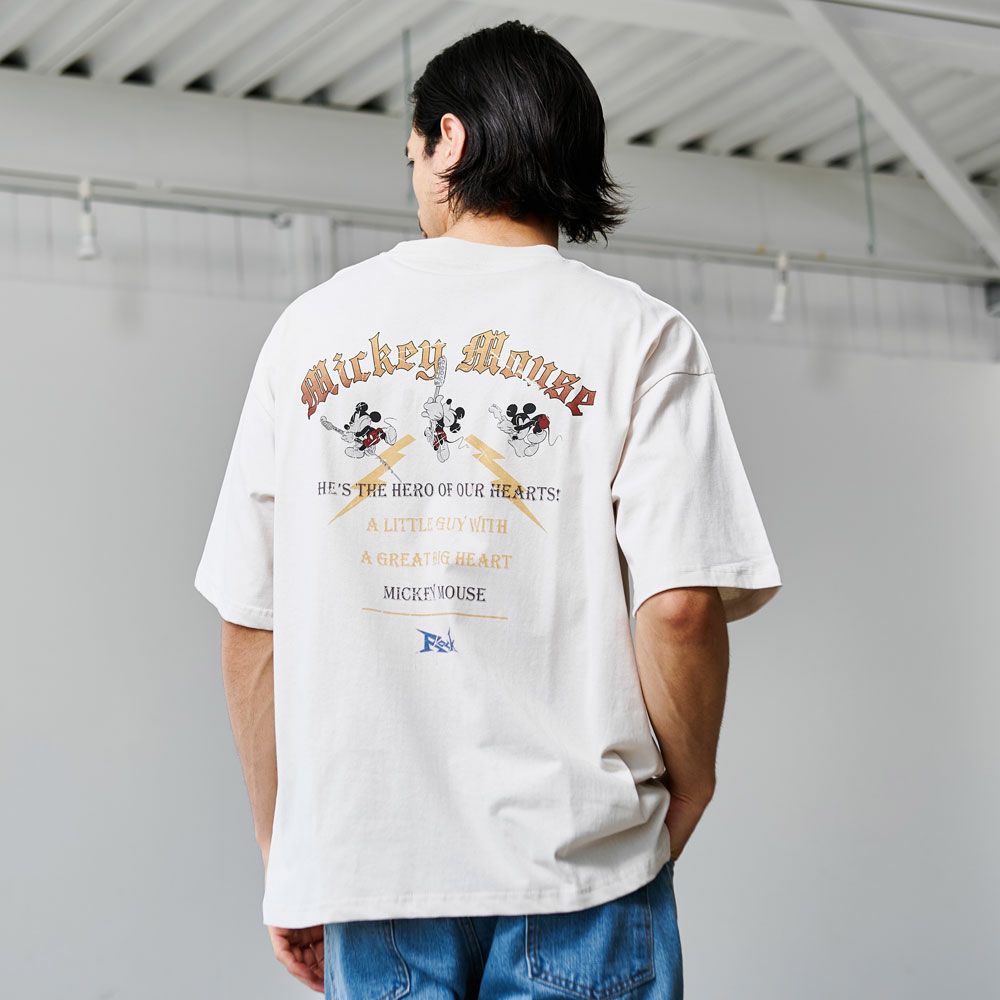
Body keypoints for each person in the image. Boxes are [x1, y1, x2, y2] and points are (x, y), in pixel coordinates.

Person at [194, 19, 782, 1000]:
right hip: (579, 861)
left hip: (370, 868)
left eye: (411, 152)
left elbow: (251, 624)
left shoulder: (309, 332)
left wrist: (286, 848)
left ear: (450, 139)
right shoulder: (640, 336)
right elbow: (679, 609)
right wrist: (693, 785)